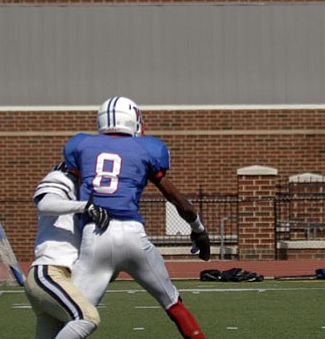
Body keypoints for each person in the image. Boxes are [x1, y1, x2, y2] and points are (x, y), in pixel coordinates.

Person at [65, 96, 211, 338]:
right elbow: (176, 199)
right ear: (133, 120)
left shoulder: (81, 146)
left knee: (78, 317)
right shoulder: (147, 148)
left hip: (94, 237)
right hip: (133, 237)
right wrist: (198, 228)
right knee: (174, 304)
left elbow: (72, 193)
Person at [24, 162, 110, 339]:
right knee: (87, 318)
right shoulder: (61, 178)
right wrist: (85, 206)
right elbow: (45, 205)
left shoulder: (81, 189)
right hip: (49, 273)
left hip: (60, 276)